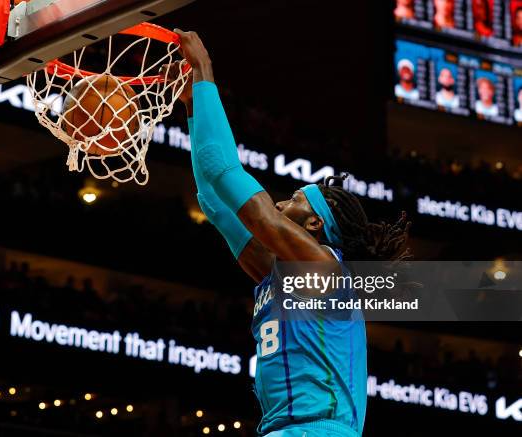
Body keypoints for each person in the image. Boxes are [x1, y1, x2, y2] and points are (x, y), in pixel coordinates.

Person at [168, 29, 412, 437]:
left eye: (296, 199)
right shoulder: (272, 272)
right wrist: (193, 107)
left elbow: (226, 173)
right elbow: (212, 196)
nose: (281, 204)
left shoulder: (321, 266)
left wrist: (204, 72)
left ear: (315, 223)